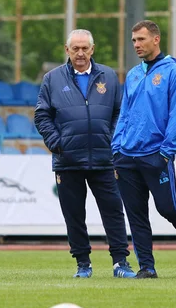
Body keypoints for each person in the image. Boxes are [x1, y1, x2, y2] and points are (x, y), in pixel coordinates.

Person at [112, 20, 176, 279]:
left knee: (168, 208)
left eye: (141, 40)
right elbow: (124, 114)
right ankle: (147, 267)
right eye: (133, 40)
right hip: (127, 156)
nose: (136, 45)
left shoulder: (173, 73)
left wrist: (166, 152)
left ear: (156, 39)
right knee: (136, 214)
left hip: (156, 154)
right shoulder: (133, 74)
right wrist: (116, 148)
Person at [34, 29, 137, 279]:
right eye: (75, 48)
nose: (80, 53)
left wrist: (110, 139)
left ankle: (120, 263)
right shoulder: (52, 78)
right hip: (67, 160)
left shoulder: (109, 77)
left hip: (104, 159)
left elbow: (119, 113)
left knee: (113, 211)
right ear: (67, 50)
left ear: (92, 49)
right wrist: (58, 143)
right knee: (74, 215)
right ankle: (83, 263)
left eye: (85, 48)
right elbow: (41, 115)